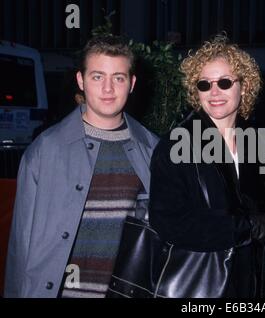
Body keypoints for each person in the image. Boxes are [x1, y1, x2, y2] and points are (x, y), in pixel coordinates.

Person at [4, 35, 159, 298]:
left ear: (131, 84)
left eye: (118, 78)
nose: (108, 89)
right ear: (81, 80)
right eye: (98, 77)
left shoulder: (152, 149)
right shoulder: (45, 150)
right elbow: (21, 245)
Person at [149, 34, 265, 298]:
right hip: (201, 284)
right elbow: (169, 222)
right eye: (204, 84)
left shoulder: (258, 142)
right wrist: (246, 228)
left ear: (245, 86)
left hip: (251, 281)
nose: (214, 92)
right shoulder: (176, 145)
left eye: (225, 82)